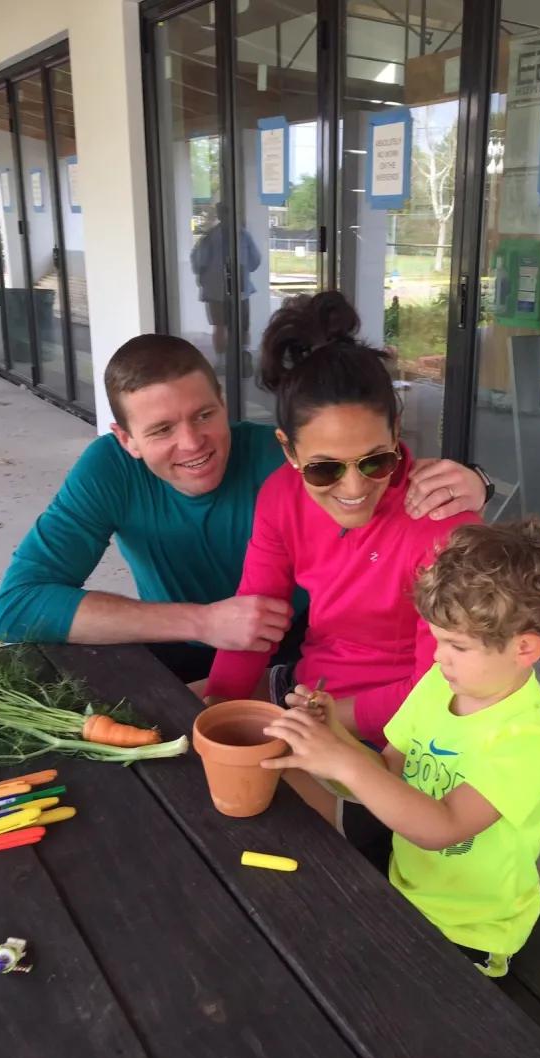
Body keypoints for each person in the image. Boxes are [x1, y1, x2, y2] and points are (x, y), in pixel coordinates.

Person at [0, 333, 488, 685]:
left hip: (296, 645)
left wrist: (475, 483)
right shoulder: (108, 471)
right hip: (178, 645)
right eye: (162, 429)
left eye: (204, 415)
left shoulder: (290, 461)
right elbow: (17, 606)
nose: (192, 443)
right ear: (127, 440)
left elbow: (372, 465)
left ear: (224, 403)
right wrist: (203, 622)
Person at [261, 519, 540, 976]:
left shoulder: (526, 740)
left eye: (457, 646)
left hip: (468, 929)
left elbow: (442, 828)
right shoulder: (439, 684)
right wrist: (333, 733)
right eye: (437, 639)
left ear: (524, 649)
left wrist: (342, 760)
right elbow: (388, 773)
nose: (437, 657)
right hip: (405, 887)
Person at [204, 291, 483, 744]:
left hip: (405, 728)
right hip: (309, 693)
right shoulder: (280, 497)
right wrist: (217, 707)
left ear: (395, 431)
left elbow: (440, 689)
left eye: (376, 461)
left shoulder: (444, 528)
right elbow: (255, 618)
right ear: (289, 450)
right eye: (324, 468)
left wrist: (313, 723)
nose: (354, 489)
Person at [190, 202, 261, 373]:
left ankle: (223, 362)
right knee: (243, 326)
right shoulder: (243, 235)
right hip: (239, 289)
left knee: (220, 326)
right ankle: (243, 359)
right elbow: (255, 260)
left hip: (216, 290)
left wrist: (206, 276)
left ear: (219, 215)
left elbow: (198, 262)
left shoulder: (210, 237)